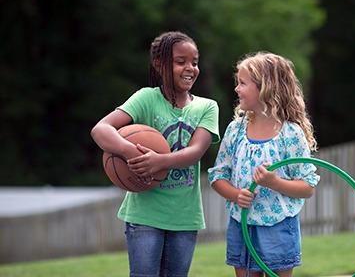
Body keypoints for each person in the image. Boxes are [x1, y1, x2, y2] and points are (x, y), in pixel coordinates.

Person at [91, 31, 220, 277]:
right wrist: (129, 151)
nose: (190, 68)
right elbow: (101, 129)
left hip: (184, 216)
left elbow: (195, 151)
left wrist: (159, 161)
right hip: (144, 215)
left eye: (195, 62)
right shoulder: (146, 99)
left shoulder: (207, 107)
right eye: (181, 61)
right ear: (159, 65)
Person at [208, 52, 319, 277]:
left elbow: (307, 187)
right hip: (241, 222)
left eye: (242, 83)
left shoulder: (290, 133)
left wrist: (275, 182)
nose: (236, 89)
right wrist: (236, 194)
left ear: (265, 87)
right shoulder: (235, 130)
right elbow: (217, 176)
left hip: (278, 226)